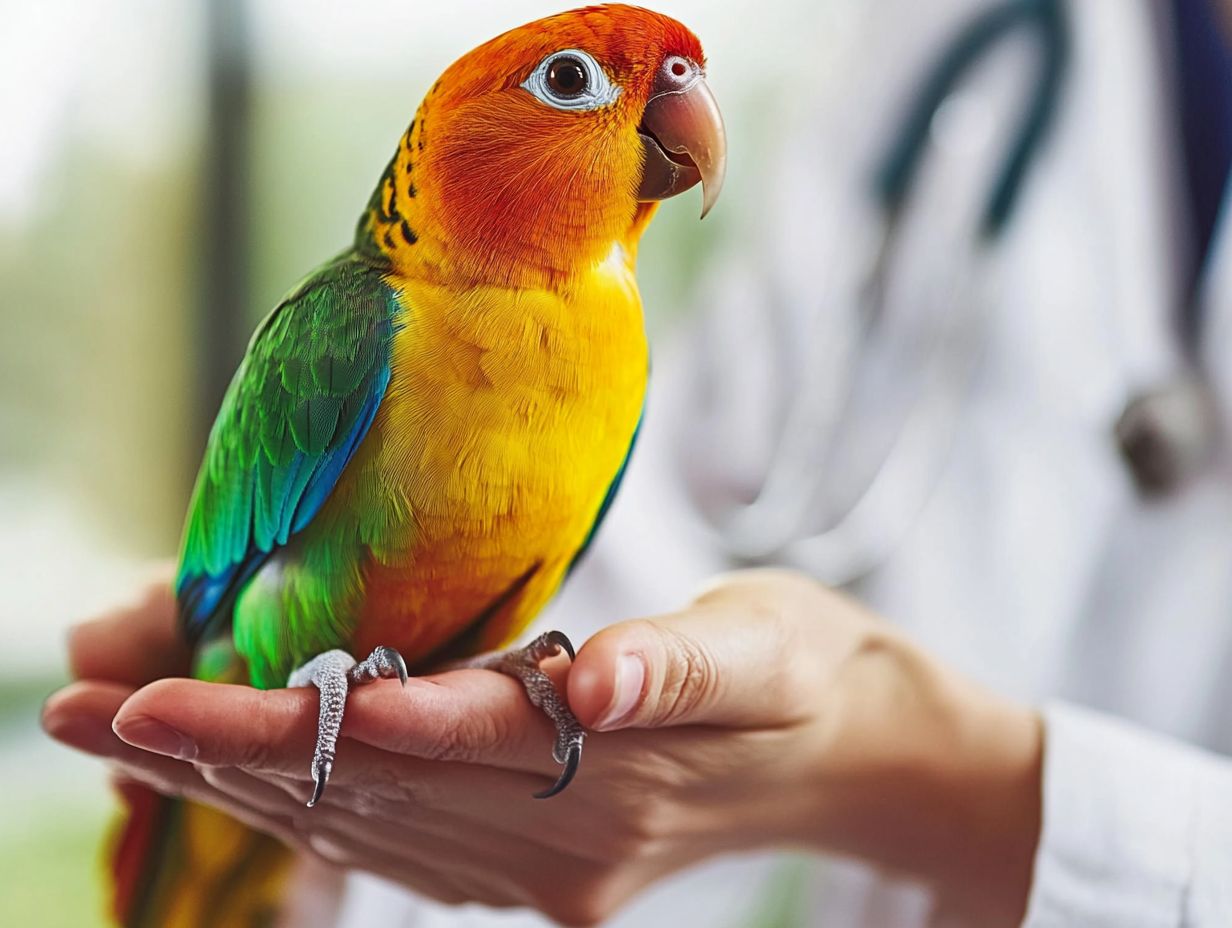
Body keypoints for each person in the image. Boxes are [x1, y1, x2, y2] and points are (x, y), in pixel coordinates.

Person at [40, 0, 1232, 925]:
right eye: (575, 82)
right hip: (272, 708)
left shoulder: (615, 357)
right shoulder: (356, 322)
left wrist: (895, 767)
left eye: (680, 81)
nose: (682, 106)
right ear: (443, 146)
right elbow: (659, 591)